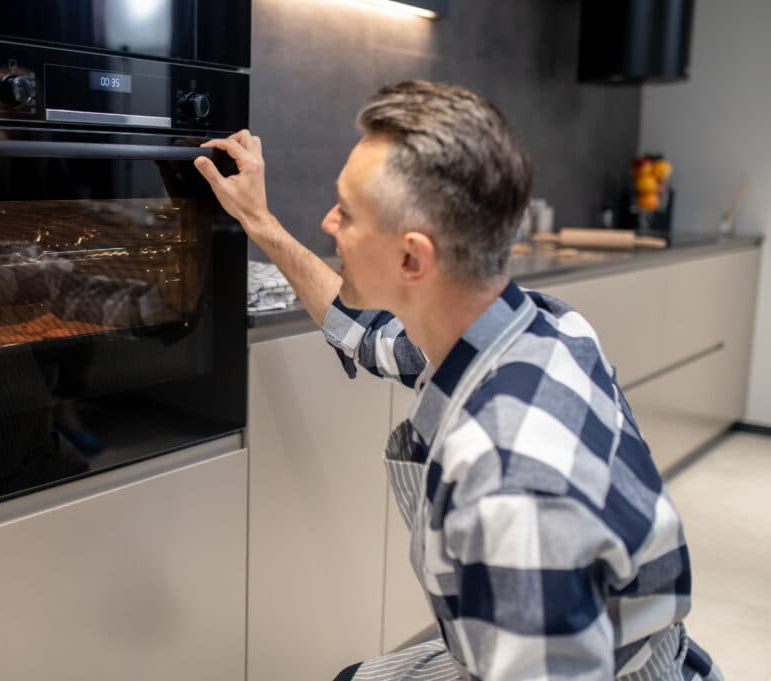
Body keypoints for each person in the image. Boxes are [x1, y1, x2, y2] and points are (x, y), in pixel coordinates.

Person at [192, 81, 722, 681]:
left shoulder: (507, 481)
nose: (329, 222)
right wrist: (258, 220)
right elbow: (366, 333)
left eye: (348, 211)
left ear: (413, 260)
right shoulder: (534, 328)